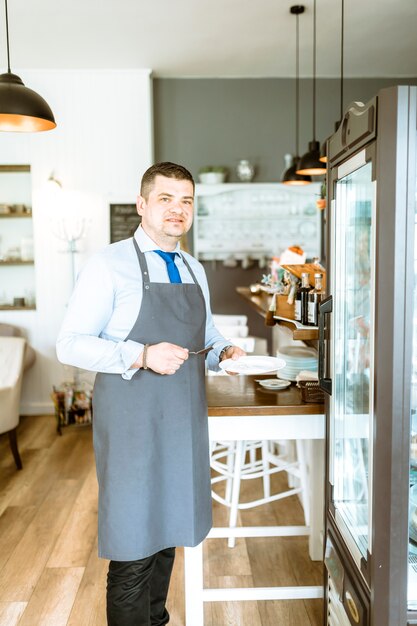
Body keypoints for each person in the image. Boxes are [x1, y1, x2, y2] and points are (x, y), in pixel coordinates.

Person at [56, 161, 245, 626]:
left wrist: (227, 352)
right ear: (143, 205)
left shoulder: (193, 268)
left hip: (183, 423)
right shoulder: (109, 265)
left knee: (169, 533)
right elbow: (70, 343)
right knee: (134, 543)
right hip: (133, 426)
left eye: (186, 201)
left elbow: (208, 337)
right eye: (166, 199)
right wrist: (140, 355)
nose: (177, 210)